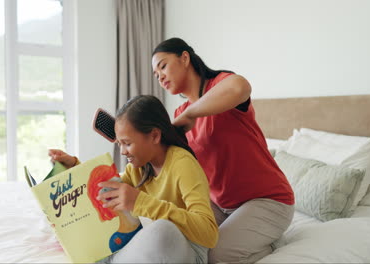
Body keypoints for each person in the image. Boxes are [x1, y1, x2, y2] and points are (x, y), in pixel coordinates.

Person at [151, 37, 295, 263]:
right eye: (155, 74)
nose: (159, 76)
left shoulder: (220, 85)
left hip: (268, 200)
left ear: (185, 58)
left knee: (215, 255)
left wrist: (190, 115)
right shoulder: (180, 113)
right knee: (185, 242)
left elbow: (241, 86)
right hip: (221, 205)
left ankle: (272, 243)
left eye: (162, 66)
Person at [48, 95, 218, 263]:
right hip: (151, 249)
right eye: (119, 144)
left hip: (187, 248)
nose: (122, 151)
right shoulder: (138, 168)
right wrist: (74, 166)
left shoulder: (183, 164)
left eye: (127, 143)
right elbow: (107, 189)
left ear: (154, 136)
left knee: (163, 230)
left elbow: (209, 234)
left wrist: (140, 202)